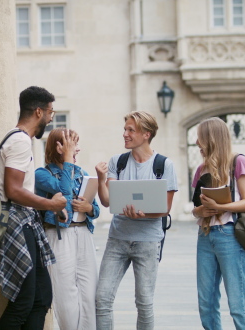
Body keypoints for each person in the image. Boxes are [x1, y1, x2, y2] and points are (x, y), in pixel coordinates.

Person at [0, 86, 67, 330]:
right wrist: (51, 204)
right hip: (17, 225)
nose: (52, 118)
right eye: (51, 112)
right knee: (24, 301)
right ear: (39, 112)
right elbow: (13, 190)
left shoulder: (18, 139)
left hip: (24, 223)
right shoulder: (20, 141)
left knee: (40, 299)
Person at [94, 110, 178, 330]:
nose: (125, 134)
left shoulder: (164, 165)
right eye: (125, 129)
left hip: (148, 242)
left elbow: (166, 208)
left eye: (131, 130)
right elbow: (107, 201)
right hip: (118, 239)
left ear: (146, 134)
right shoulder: (118, 162)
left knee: (144, 303)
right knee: (102, 298)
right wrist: (102, 179)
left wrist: (144, 214)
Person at [190, 117, 245, 330]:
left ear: (211, 139)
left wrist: (221, 207)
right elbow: (195, 208)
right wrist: (201, 210)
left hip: (230, 236)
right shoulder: (201, 170)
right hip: (205, 235)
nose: (198, 143)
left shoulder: (238, 162)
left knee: (238, 304)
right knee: (206, 302)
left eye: (200, 138)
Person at [35, 128, 101, 330]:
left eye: (76, 144)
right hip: (58, 234)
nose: (77, 149)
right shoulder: (42, 174)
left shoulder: (84, 174)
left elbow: (96, 210)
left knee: (90, 294)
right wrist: (68, 159)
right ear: (59, 147)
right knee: (65, 296)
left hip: (83, 233)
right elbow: (64, 191)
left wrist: (88, 208)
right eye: (72, 144)